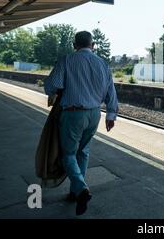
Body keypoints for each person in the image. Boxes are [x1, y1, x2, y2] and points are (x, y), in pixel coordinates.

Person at [44, 31, 118, 215]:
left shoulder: (67, 60)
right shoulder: (102, 63)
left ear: (74, 45)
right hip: (95, 114)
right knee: (83, 152)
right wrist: (111, 115)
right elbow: (111, 91)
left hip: (73, 114)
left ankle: (81, 188)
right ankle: (75, 192)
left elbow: (51, 86)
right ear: (92, 45)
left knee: (68, 154)